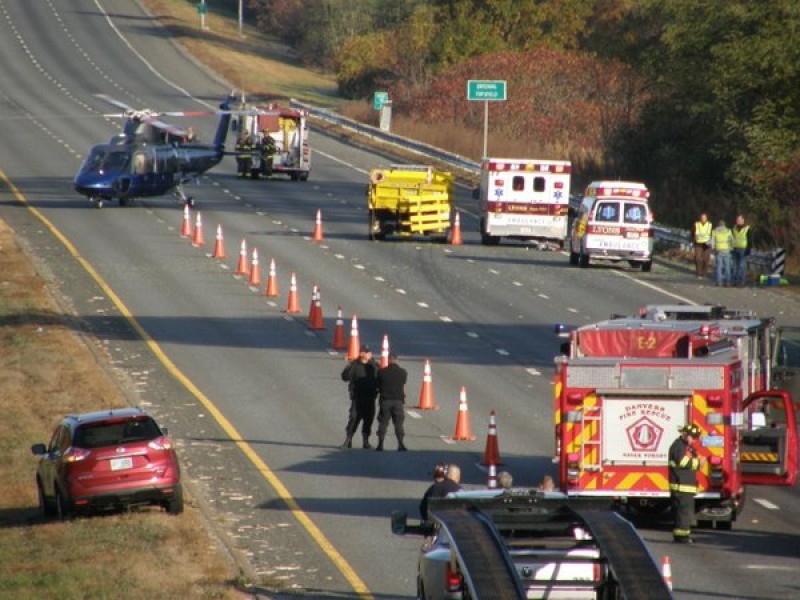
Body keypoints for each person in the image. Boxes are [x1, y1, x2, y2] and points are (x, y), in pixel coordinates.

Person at [668, 423, 706, 544]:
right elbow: (683, 462)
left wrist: (699, 459)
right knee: (684, 513)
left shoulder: (687, 447)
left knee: (685, 514)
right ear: (685, 435)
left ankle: (683, 535)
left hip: (686, 487)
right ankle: (682, 537)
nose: (694, 440)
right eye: (693, 437)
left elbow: (694, 457)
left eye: (696, 438)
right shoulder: (678, 446)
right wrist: (698, 463)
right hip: (681, 487)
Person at [340, 345, 379, 449]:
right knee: (353, 418)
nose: (369, 354)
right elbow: (345, 377)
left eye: (369, 352)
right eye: (366, 352)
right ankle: (348, 440)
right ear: (361, 353)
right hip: (357, 397)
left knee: (368, 419)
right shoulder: (355, 365)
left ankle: (365, 441)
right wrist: (350, 366)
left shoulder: (374, 366)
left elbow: (380, 378)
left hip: (370, 397)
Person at [376, 353, 408, 451]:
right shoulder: (403, 372)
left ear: (388, 360)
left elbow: (378, 384)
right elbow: (403, 382)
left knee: (383, 423)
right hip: (398, 401)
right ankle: (400, 443)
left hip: (385, 400)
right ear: (396, 360)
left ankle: (380, 444)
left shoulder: (382, 372)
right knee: (398, 424)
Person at [711, 219, 733, 286]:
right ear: (724, 225)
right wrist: (731, 248)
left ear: (718, 224)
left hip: (718, 251)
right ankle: (728, 282)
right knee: (727, 267)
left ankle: (719, 282)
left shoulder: (714, 231)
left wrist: (713, 249)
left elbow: (712, 241)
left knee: (719, 267)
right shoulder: (728, 231)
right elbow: (731, 240)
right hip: (727, 250)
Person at [731, 214, 751, 287]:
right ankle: (734, 281)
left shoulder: (747, 228)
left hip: (743, 249)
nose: (738, 221)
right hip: (735, 249)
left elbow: (750, 240)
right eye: (737, 220)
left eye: (739, 220)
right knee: (734, 266)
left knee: (742, 266)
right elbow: (732, 238)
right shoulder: (734, 228)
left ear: (743, 220)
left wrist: (748, 250)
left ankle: (741, 282)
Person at [693, 212, 712, 279]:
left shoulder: (710, 225)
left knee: (706, 259)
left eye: (704, 217)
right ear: (700, 218)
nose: (703, 219)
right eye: (702, 217)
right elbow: (693, 233)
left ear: (706, 218)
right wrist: (694, 239)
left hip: (707, 244)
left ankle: (704, 273)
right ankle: (699, 273)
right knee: (698, 258)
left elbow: (712, 234)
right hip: (698, 243)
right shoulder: (696, 224)